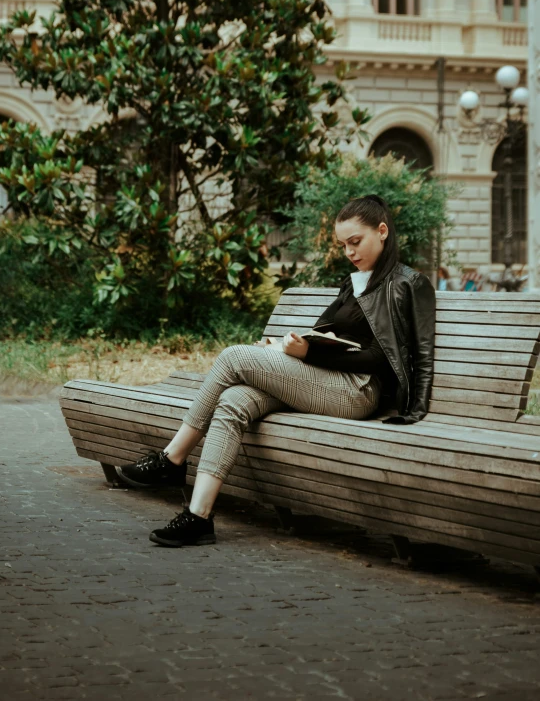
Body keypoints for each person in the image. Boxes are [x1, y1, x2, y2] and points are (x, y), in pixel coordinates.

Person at [116, 194, 436, 547]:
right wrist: (287, 350)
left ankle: (172, 459)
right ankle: (198, 517)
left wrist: (310, 355)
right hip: (325, 382)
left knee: (232, 357)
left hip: (357, 391)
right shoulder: (356, 283)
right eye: (343, 245)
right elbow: (323, 332)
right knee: (234, 401)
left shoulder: (408, 283)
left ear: (382, 231)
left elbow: (385, 357)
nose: (349, 252)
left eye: (355, 242)